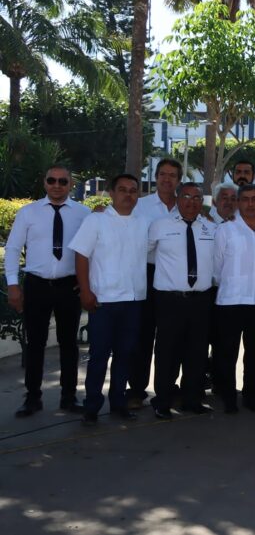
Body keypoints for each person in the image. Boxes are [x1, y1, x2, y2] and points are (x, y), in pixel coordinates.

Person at [6, 166, 91, 416]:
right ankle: (32, 397)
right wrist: (12, 284)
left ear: (70, 183)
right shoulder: (28, 213)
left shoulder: (83, 214)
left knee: (69, 344)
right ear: (44, 183)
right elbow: (12, 249)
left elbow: (93, 250)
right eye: (52, 180)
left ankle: (69, 396)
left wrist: (87, 282)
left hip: (68, 286)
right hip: (37, 285)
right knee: (35, 344)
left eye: (62, 181)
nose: (57, 185)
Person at [69, 174, 150, 426]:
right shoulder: (96, 220)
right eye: (122, 190)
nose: (128, 194)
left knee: (125, 355)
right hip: (103, 301)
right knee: (99, 355)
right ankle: (92, 406)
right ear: (111, 193)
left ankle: (118, 403)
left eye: (133, 190)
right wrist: (85, 291)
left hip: (134, 300)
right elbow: (81, 256)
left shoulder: (144, 222)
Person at [147, 182, 217, 419]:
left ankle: (192, 399)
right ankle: (163, 401)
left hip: (201, 300)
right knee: (167, 352)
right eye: (186, 196)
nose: (191, 202)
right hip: (169, 300)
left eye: (197, 198)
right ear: (177, 199)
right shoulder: (159, 226)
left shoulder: (211, 228)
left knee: (196, 352)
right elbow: (144, 254)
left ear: (202, 202)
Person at [213, 184, 255, 414]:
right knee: (226, 354)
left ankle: (251, 396)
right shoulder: (225, 229)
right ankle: (229, 398)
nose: (250, 204)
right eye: (245, 199)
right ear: (238, 203)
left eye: (254, 199)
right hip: (230, 300)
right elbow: (217, 267)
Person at [127, 158, 182, 410]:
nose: (166, 179)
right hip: (147, 274)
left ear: (178, 180)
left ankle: (168, 386)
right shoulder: (141, 206)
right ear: (156, 177)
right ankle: (137, 389)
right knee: (143, 334)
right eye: (162, 174)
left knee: (171, 337)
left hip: (175, 277)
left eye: (172, 175)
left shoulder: (186, 206)